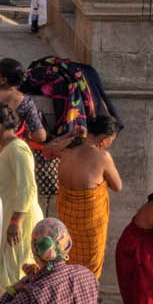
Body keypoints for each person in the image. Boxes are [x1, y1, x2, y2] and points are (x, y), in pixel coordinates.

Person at [0, 101, 42, 301]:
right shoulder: (2, 148)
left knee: (15, 274)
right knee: (2, 276)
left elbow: (28, 187)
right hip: (5, 217)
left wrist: (16, 222)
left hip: (19, 222)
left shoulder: (18, 149)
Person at [48, 115, 121, 279]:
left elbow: (49, 149)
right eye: (111, 140)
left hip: (67, 217)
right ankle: (85, 291)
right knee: (88, 269)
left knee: (67, 256)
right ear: (105, 138)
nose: (110, 144)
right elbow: (118, 186)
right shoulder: (102, 157)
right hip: (89, 224)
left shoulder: (65, 150)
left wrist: (70, 135)